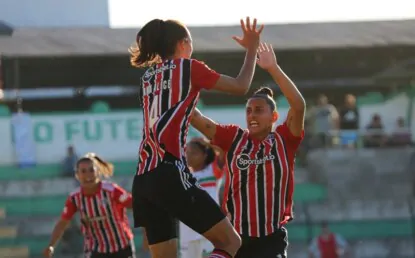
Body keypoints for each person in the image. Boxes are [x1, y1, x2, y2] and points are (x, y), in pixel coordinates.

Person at [130, 17, 264, 258]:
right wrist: (253, 48)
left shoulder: (148, 79)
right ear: (183, 43)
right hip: (169, 171)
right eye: (191, 43)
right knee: (230, 243)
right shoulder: (189, 68)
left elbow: (185, 114)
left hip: (143, 179)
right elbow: (240, 86)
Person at [190, 42, 306, 258]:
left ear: (274, 116)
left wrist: (273, 68)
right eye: (249, 110)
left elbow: (298, 105)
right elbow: (196, 118)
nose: (252, 115)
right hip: (236, 239)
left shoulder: (284, 139)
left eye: (259, 110)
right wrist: (179, 88)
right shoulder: (234, 138)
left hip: (271, 239)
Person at [43, 153, 136, 258]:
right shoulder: (74, 198)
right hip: (95, 248)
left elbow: (134, 204)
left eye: (91, 170)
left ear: (98, 172)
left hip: (121, 245)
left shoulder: (112, 191)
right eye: (83, 171)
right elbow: (63, 222)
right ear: (77, 175)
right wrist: (51, 245)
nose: (88, 175)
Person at [180, 138, 225, 258]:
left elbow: (224, 153)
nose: (189, 156)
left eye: (194, 153)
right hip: (187, 232)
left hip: (210, 231)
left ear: (205, 155)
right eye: (187, 153)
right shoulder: (182, 175)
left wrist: (210, 144)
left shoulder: (212, 171)